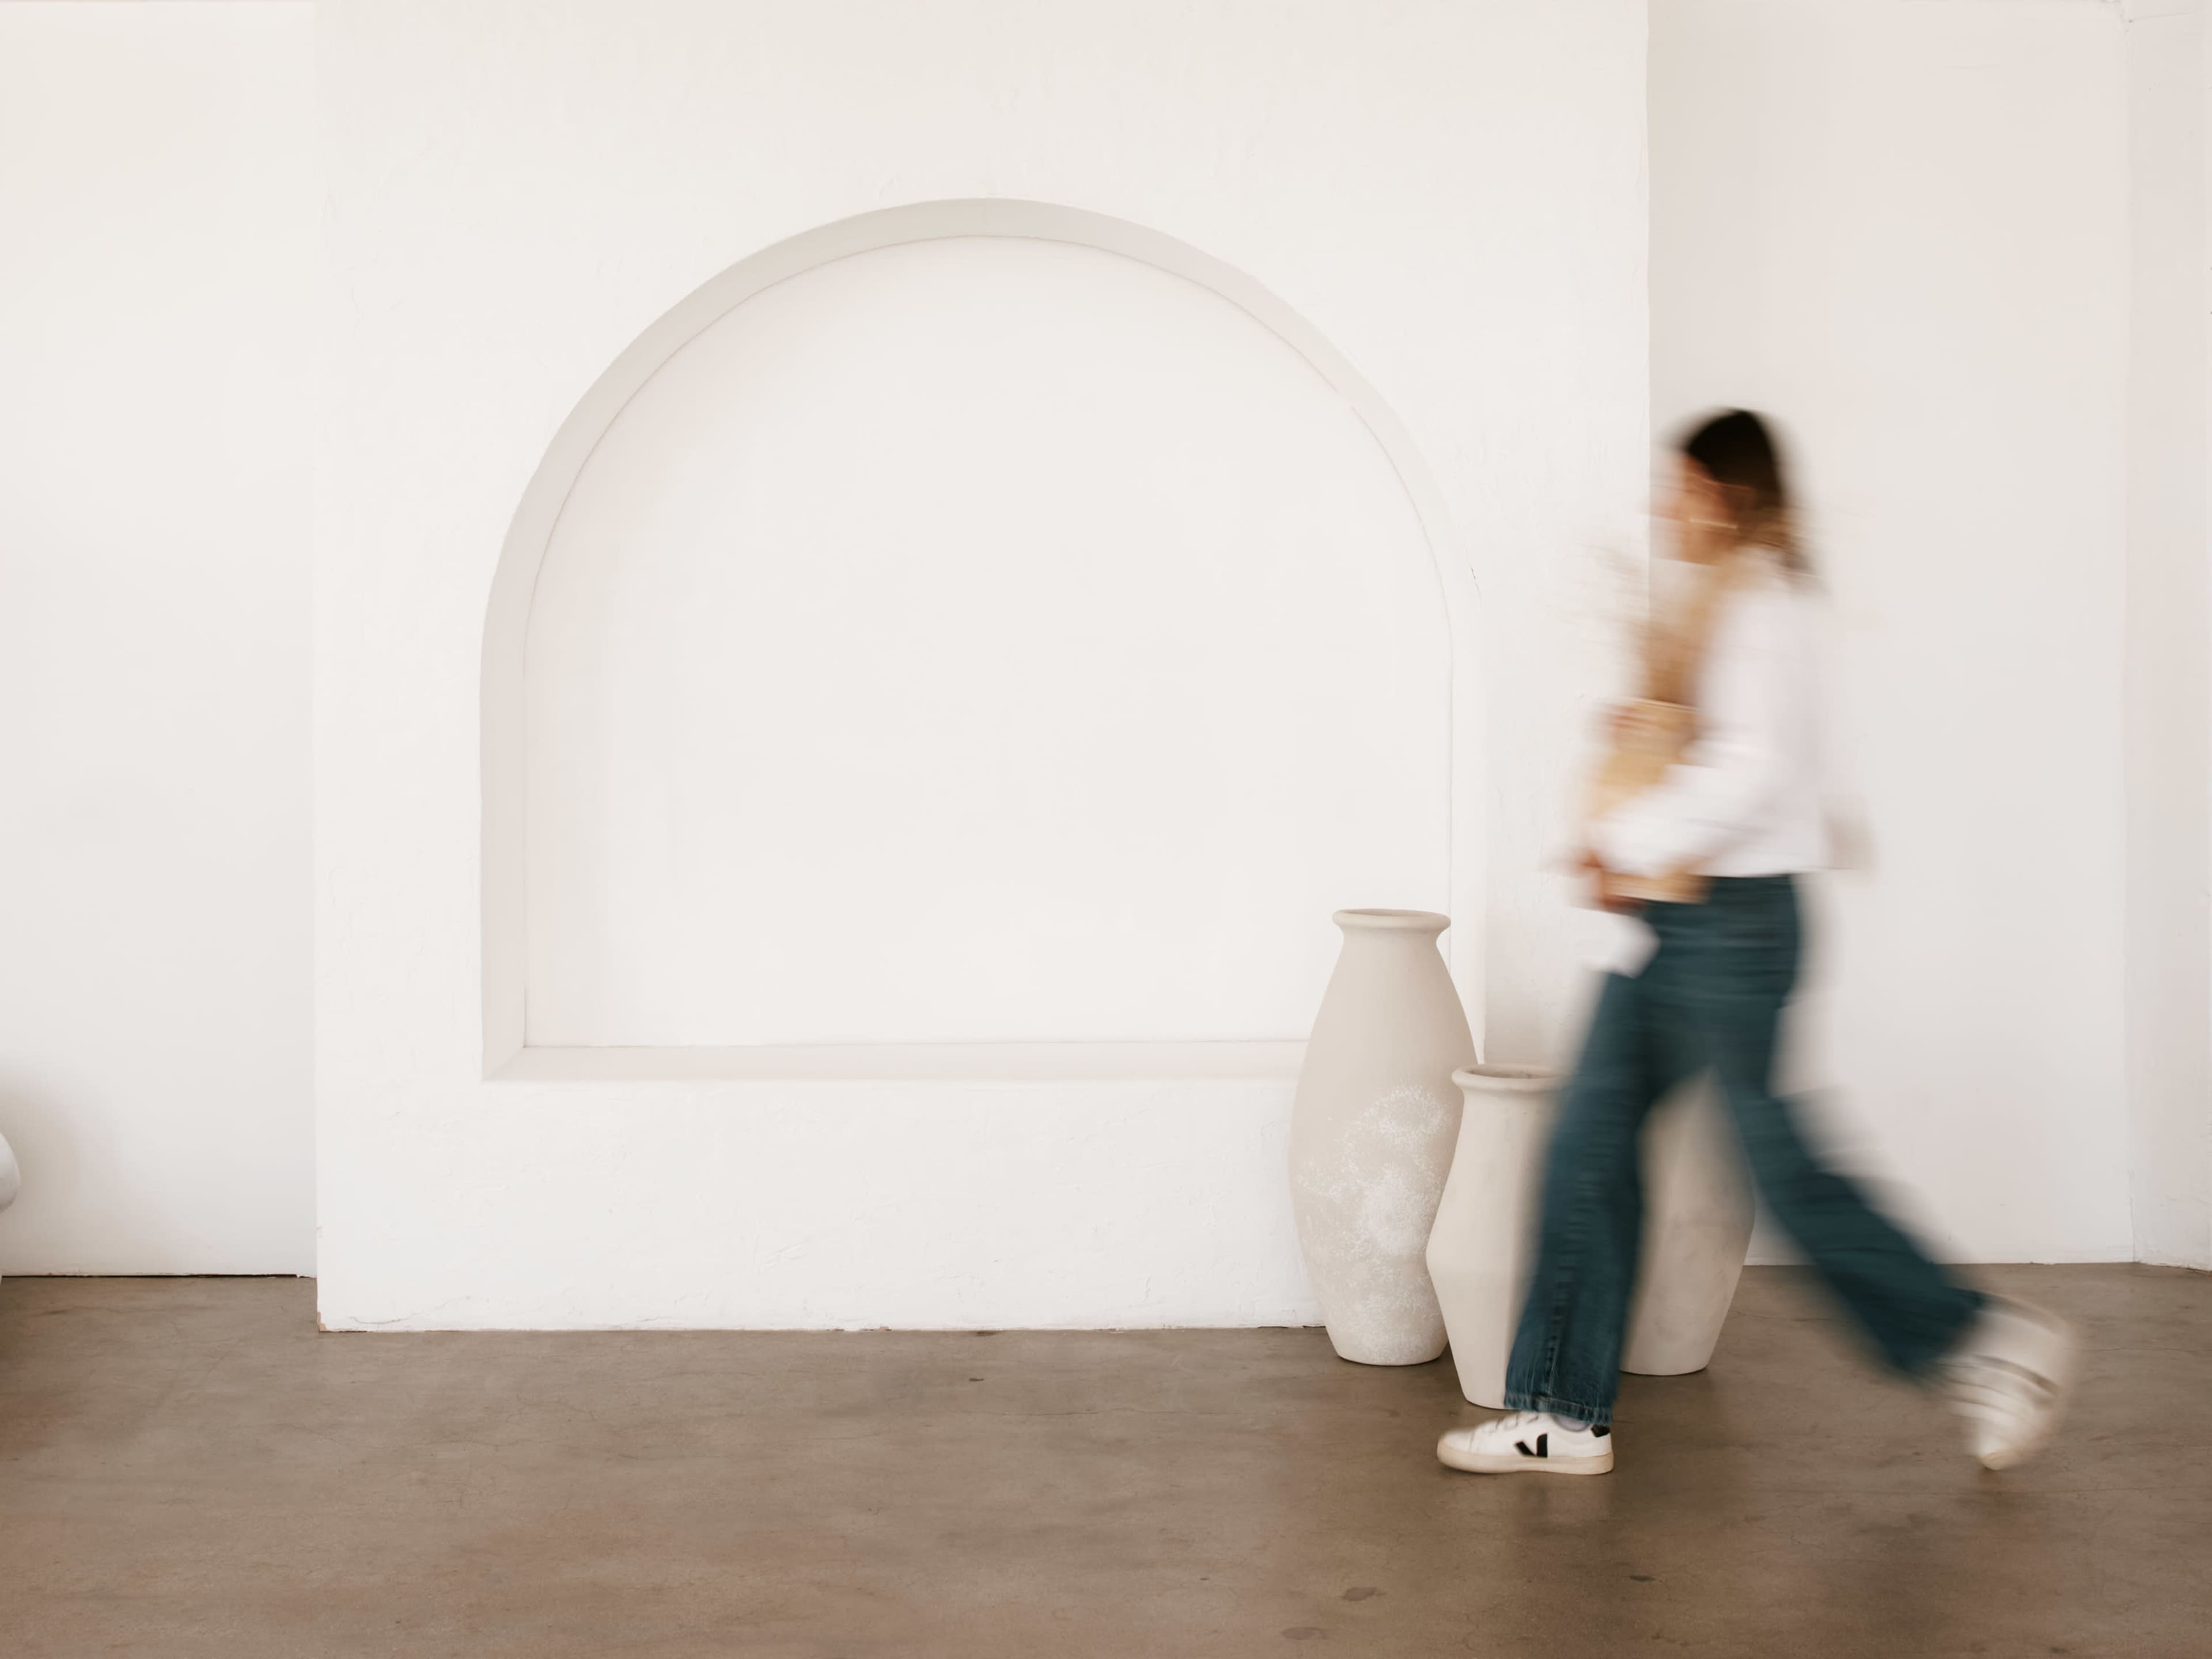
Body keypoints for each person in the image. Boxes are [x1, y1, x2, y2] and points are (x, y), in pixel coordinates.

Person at [1436, 410, 2077, 1478]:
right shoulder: (1728, 606)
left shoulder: (1765, 608)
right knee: (1590, 1142)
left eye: (1678, 492)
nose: (1661, 510)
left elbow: (1756, 773)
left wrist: (1622, 832)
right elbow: (1726, 758)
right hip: (1674, 922)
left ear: (1725, 496)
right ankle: (1560, 1413)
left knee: (1781, 1167)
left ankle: (1984, 1341)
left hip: (1728, 929)